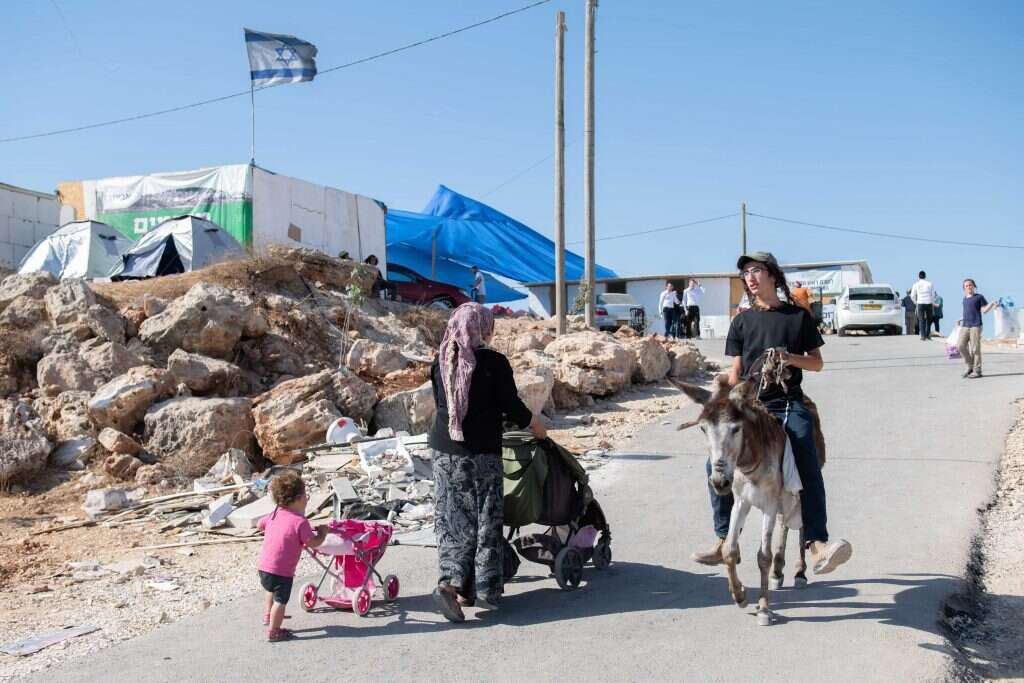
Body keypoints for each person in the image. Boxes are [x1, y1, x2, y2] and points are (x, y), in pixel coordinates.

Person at [691, 251, 853, 575]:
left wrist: (788, 357)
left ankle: (816, 544)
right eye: (746, 273)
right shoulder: (742, 321)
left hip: (787, 402)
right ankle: (724, 538)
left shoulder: (798, 318)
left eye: (757, 270)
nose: (750, 277)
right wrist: (723, 395)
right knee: (715, 462)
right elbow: (736, 370)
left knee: (805, 448)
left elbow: (817, 362)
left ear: (773, 277)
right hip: (750, 406)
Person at [429, 303, 546, 622]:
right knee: (484, 520)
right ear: (481, 328)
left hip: (443, 452)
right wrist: (536, 426)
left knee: (452, 520)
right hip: (480, 455)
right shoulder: (493, 362)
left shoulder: (440, 360)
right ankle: (482, 587)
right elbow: (511, 405)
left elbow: (444, 404)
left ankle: (453, 585)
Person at [257, 471, 328, 642]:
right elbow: (313, 543)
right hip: (282, 572)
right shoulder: (300, 522)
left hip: (264, 567)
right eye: (305, 495)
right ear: (297, 499)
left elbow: (260, 525)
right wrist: (323, 533)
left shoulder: (275, 514)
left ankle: (268, 616)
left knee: (270, 591)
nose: (307, 498)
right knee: (281, 601)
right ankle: (274, 631)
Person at [957, 278, 997, 379]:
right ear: (964, 288)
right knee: (960, 345)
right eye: (966, 286)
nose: (969, 287)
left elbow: (984, 310)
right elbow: (967, 312)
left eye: (970, 285)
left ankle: (977, 370)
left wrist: (991, 304)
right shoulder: (964, 299)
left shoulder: (979, 297)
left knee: (975, 349)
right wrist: (960, 319)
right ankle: (970, 366)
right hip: (965, 325)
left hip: (976, 325)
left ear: (974, 286)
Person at [910, 271, 938, 341]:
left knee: (921, 320)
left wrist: (915, 302)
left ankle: (923, 336)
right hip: (928, 303)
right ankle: (928, 335)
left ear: (918, 276)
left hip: (920, 303)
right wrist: (931, 301)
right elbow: (933, 294)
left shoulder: (916, 284)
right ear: (925, 276)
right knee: (929, 320)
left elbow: (912, 295)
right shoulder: (930, 284)